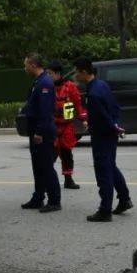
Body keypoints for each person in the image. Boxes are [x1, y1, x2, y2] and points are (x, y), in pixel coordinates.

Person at [73, 57, 131, 222]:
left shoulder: (93, 93)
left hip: (102, 136)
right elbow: (114, 108)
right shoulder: (102, 85)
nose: (76, 76)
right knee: (111, 167)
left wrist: (102, 126)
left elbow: (102, 117)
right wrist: (115, 126)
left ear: (84, 72)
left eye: (77, 72)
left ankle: (105, 210)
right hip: (109, 134)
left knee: (103, 172)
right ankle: (125, 199)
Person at [19, 53, 61, 213]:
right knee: (38, 167)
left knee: (46, 167)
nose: (25, 69)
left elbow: (45, 111)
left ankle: (54, 200)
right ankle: (38, 197)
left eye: (26, 65)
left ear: (33, 65)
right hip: (36, 130)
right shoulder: (39, 81)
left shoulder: (45, 83)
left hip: (41, 132)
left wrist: (39, 132)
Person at [47, 61, 86, 190]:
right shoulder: (46, 88)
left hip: (66, 127)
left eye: (50, 73)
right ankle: (47, 180)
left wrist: (84, 119)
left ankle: (68, 180)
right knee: (49, 156)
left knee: (66, 154)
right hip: (52, 126)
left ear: (58, 74)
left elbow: (78, 105)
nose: (48, 76)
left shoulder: (70, 87)